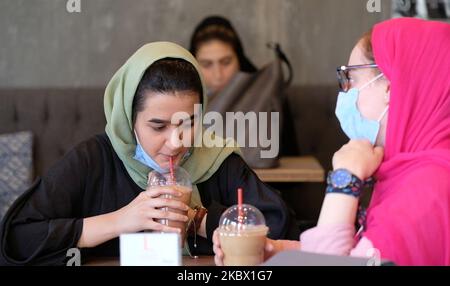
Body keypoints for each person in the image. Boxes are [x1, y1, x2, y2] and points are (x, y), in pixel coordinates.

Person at [0, 42, 295, 266]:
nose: (175, 142)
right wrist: (122, 220)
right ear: (130, 120)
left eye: (188, 123)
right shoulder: (93, 160)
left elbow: (284, 232)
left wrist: (196, 219)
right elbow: (15, 239)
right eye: (157, 126)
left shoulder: (216, 157)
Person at [213, 17, 450, 266]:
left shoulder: (426, 191)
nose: (344, 92)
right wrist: (276, 250)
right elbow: (356, 255)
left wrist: (344, 180)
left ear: (390, 87)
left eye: (351, 78)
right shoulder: (415, 174)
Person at [189, 15, 257, 96]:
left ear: (239, 60)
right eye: (206, 64)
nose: (218, 75)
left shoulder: (264, 98)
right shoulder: (180, 104)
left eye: (226, 62)